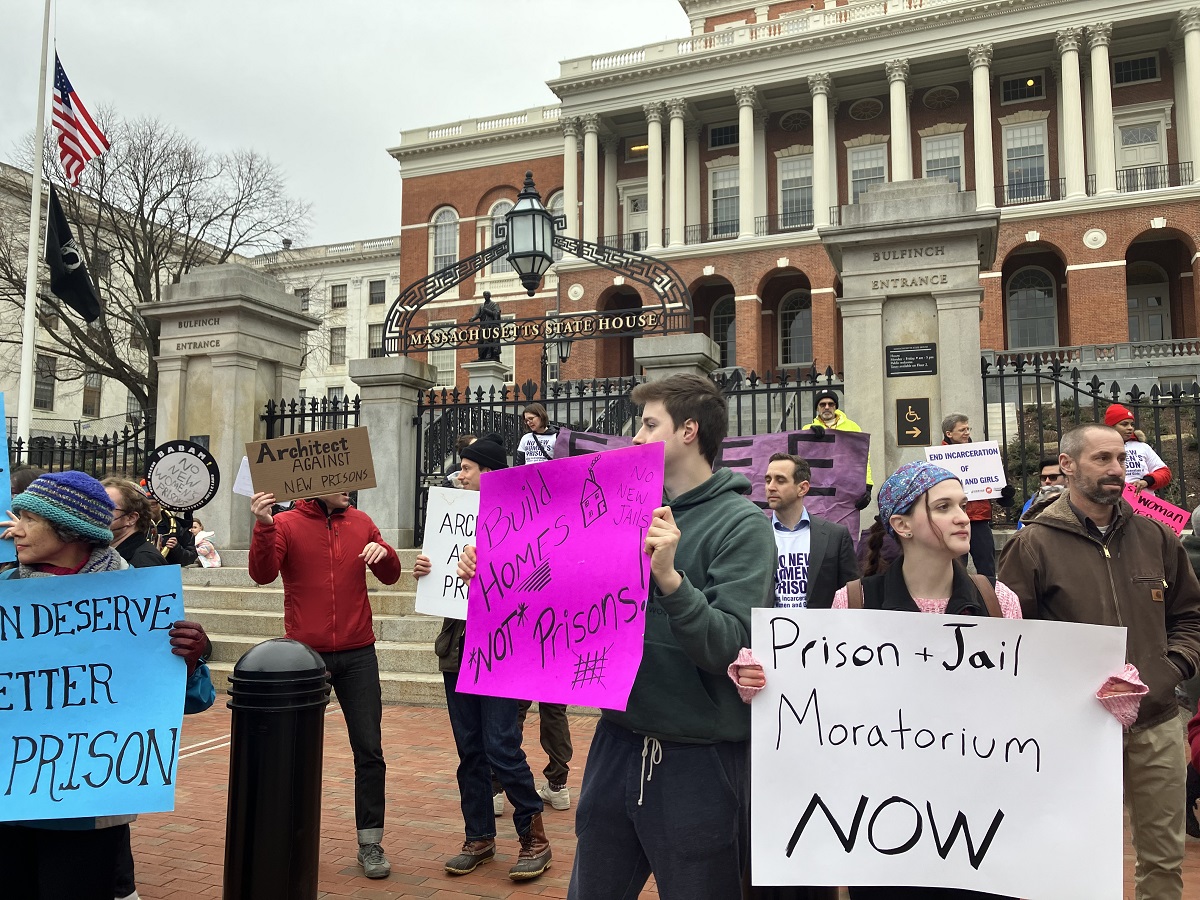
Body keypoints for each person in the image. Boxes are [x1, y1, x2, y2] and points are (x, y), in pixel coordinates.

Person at [461, 374, 777, 899]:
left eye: (650, 424)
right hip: (616, 742)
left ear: (689, 431)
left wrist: (672, 580)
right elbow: (559, 597)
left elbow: (729, 645)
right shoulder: (617, 508)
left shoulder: (741, 524)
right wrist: (495, 575)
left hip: (697, 759)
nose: (635, 437)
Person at [998, 423, 1200, 900]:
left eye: (1121, 459)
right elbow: (1011, 641)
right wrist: (1064, 693)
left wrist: (1164, 673)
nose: (1116, 470)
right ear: (1067, 465)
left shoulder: (1156, 537)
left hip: (1156, 723)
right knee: (1075, 856)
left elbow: (1191, 618)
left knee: (1163, 863)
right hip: (1075, 731)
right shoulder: (1033, 545)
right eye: (1102, 459)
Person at [0, 471, 214, 900]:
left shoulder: (135, 598)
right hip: (8, 800)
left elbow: (194, 700)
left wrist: (191, 660)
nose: (14, 529)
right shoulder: (6, 590)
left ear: (70, 528)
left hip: (86, 807)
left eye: (28, 518)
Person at [416, 433, 553, 881]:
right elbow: (440, 580)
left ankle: (534, 836)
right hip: (457, 649)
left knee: (501, 747)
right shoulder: (452, 518)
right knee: (470, 751)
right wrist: (428, 568)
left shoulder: (524, 520)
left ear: (490, 472)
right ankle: (479, 837)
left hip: (502, 652)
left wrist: (489, 567)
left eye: (468, 468)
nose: (461, 474)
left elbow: (540, 582)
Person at [248, 488, 400, 879]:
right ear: (315, 484)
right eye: (340, 483)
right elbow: (261, 575)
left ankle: (371, 843)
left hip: (359, 654)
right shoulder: (284, 524)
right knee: (295, 752)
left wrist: (386, 554)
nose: (349, 488)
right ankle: (290, 840)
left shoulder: (361, 522)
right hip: (305, 657)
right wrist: (264, 528)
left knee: (369, 750)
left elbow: (391, 574)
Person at [512, 403, 573, 809]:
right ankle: (555, 782)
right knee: (540, 708)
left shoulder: (517, 523)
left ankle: (513, 784)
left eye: (533, 418)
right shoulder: (566, 527)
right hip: (546, 630)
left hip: (531, 629)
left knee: (520, 708)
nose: (529, 424)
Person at [764, 452, 858, 609]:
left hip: (822, 631)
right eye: (768, 480)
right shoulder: (754, 536)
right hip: (768, 630)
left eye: (780, 480)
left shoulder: (835, 537)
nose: (770, 487)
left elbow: (850, 596)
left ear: (803, 488)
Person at [940, 413, 1014, 583]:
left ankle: (990, 602)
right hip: (953, 519)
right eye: (962, 429)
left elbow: (994, 483)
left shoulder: (982, 456)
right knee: (956, 567)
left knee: (987, 566)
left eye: (968, 429)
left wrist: (1004, 494)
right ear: (949, 433)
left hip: (980, 518)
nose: (967, 432)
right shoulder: (939, 458)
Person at [807, 389, 872, 512]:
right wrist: (809, 434)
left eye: (831, 404)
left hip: (845, 487)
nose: (827, 407)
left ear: (836, 406)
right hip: (819, 489)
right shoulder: (807, 429)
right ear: (817, 408)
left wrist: (867, 486)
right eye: (822, 404)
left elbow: (862, 458)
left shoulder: (852, 427)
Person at [1105, 403, 1172, 494]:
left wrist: (1146, 481)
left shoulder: (1142, 447)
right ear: (1111, 427)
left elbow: (1164, 473)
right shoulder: (1101, 448)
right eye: (1124, 424)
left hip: (1144, 504)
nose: (1130, 428)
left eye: (1132, 424)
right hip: (1114, 502)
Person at [104, 477, 168, 569]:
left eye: (107, 508)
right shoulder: (105, 554)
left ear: (131, 518)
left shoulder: (146, 561)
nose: (97, 513)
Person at [147, 490, 197, 567]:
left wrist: (177, 548)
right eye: (145, 505)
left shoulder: (176, 526)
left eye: (153, 504)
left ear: (161, 504)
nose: (148, 509)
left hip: (169, 573)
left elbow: (191, 557)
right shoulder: (134, 525)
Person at [1015, 458, 1066, 530]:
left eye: (1053, 477)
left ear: (1066, 478)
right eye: (1043, 478)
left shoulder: (1076, 502)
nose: (1047, 481)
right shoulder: (1030, 504)